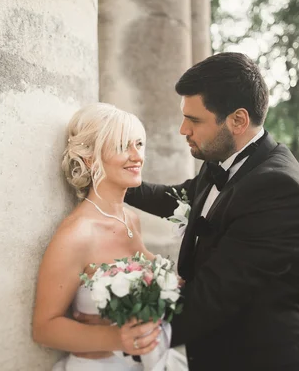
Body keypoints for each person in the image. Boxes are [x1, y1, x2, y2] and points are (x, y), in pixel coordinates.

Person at [121, 52, 299, 370]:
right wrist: (118, 181)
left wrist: (123, 335)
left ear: (238, 120)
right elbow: (180, 199)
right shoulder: (221, 158)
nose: (182, 130)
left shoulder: (281, 191)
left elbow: (214, 297)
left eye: (195, 120)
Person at [32, 103, 187, 370]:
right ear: (91, 158)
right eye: (121, 146)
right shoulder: (77, 234)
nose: (137, 155)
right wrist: (117, 338)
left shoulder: (131, 219)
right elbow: (44, 328)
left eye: (139, 144)